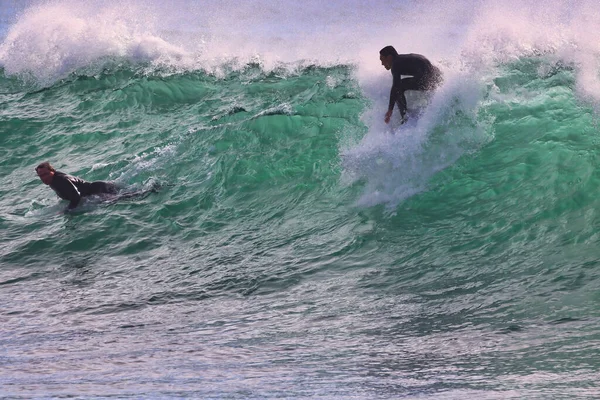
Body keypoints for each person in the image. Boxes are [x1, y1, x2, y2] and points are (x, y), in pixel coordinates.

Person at [379, 45, 443, 124]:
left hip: (428, 78)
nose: (382, 64)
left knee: (399, 88)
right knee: (401, 85)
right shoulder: (403, 60)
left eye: (382, 60)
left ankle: (404, 118)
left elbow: (396, 87)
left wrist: (390, 110)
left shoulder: (396, 64)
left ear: (389, 58)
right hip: (436, 76)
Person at [35, 161, 118, 210]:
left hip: (100, 190)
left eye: (46, 174)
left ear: (52, 171)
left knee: (124, 198)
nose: (44, 177)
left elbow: (76, 196)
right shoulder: (53, 180)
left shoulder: (61, 180)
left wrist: (67, 210)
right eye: (41, 176)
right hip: (99, 189)